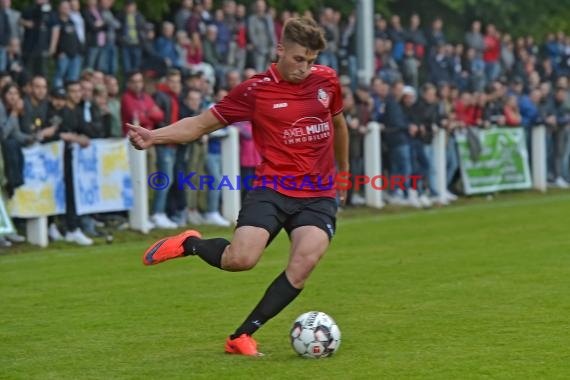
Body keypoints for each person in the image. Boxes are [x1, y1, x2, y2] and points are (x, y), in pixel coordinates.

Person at [127, 17, 349, 357]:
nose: (305, 68)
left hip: (318, 194)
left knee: (304, 263)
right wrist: (153, 136)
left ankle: (241, 337)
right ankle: (191, 244)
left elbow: (338, 124)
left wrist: (344, 173)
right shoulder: (254, 91)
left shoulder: (327, 81)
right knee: (241, 260)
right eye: (298, 59)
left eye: (311, 60)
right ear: (280, 50)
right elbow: (200, 124)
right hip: (272, 188)